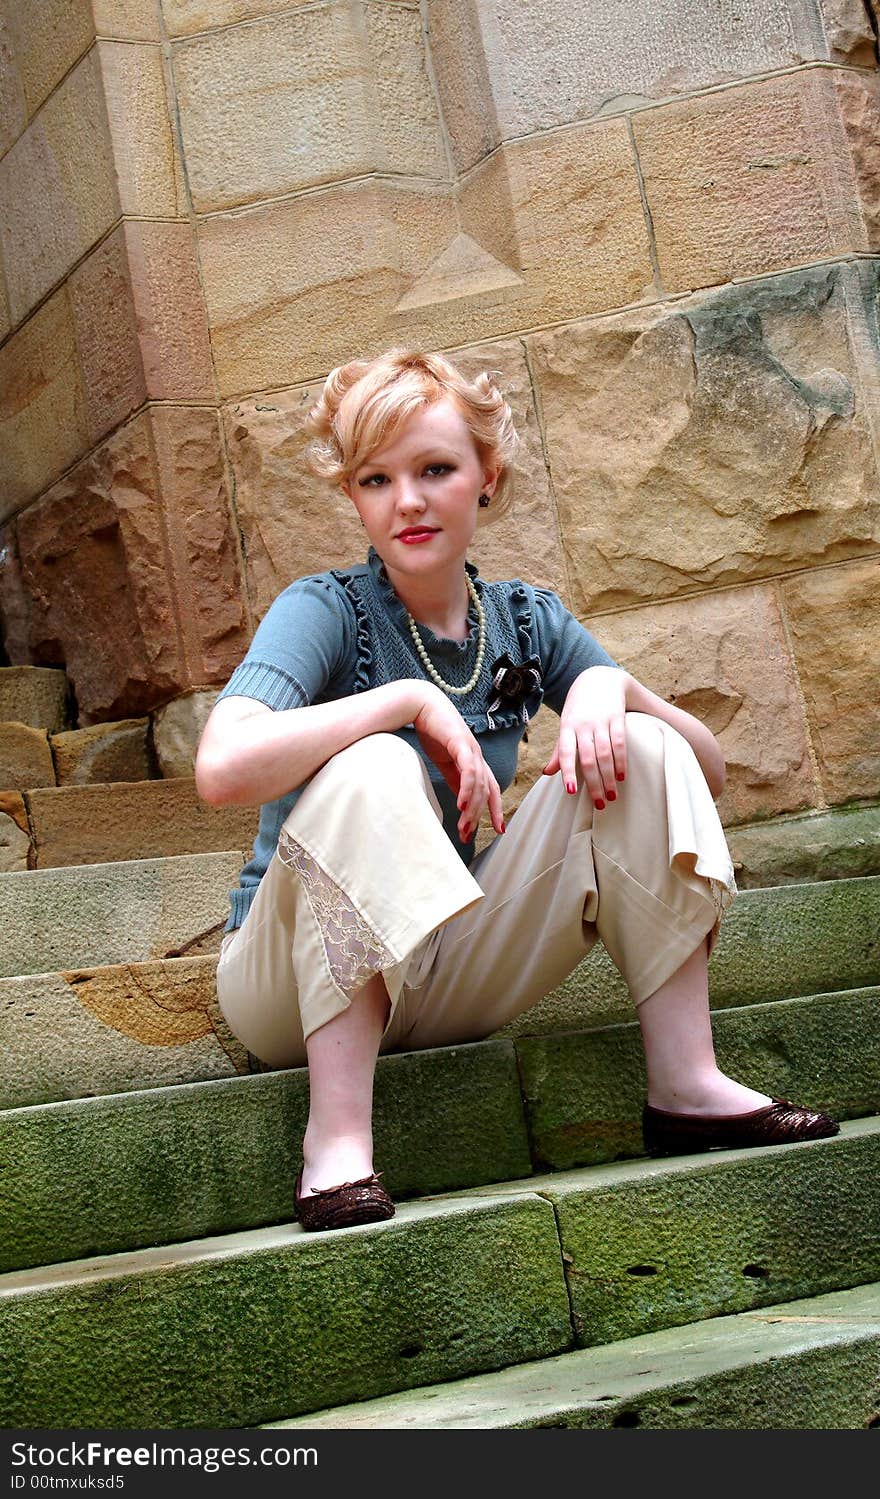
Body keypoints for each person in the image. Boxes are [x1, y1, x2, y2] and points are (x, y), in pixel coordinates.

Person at [195, 348, 838, 1232]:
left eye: (435, 469)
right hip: (283, 980)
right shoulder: (327, 609)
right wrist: (407, 702)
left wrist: (617, 690)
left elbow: (705, 771)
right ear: (353, 496)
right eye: (376, 479)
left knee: (644, 748)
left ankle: (686, 1081)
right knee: (376, 758)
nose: (408, 501)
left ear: (486, 477)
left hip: (441, 963)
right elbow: (220, 766)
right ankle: (337, 1142)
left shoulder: (529, 622)